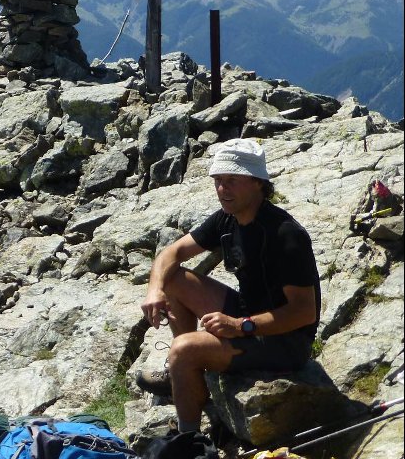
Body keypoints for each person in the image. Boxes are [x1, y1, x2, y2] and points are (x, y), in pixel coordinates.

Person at [136, 138, 321, 434]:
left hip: (285, 342)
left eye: (232, 181)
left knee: (183, 349)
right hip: (248, 314)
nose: (223, 189)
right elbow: (171, 253)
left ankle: (190, 440)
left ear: (258, 183)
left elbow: (303, 313)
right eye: (218, 180)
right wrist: (154, 289)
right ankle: (184, 376)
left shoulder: (286, 235)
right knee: (171, 278)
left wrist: (240, 325)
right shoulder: (228, 218)